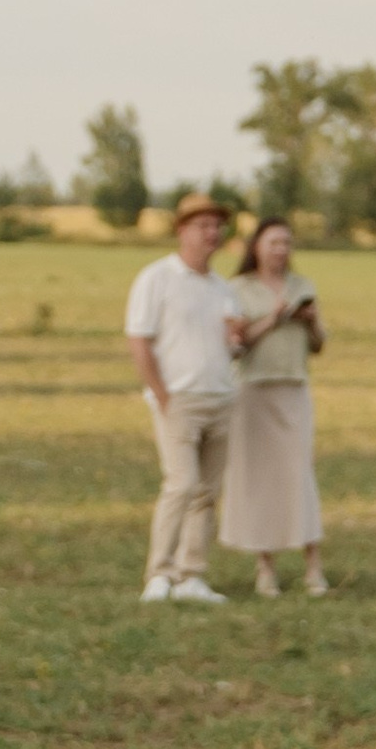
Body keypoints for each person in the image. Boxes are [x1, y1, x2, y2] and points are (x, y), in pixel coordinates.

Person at [123, 191, 240, 602]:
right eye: (203, 226)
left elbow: (230, 344)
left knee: (208, 491)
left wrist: (237, 341)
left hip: (221, 396)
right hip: (179, 398)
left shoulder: (222, 288)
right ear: (182, 231)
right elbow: (139, 339)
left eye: (217, 226)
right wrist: (161, 393)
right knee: (181, 484)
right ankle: (159, 572)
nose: (212, 233)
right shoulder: (157, 278)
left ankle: (192, 574)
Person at [222, 215, 329, 596]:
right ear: (257, 247)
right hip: (254, 391)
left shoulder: (304, 286)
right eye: (274, 243)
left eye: (286, 243)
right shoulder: (239, 289)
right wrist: (276, 316)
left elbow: (318, 344)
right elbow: (237, 344)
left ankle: (313, 566)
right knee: (259, 480)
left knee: (298, 474)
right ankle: (264, 566)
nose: (281, 250)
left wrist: (311, 322)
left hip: (293, 388)